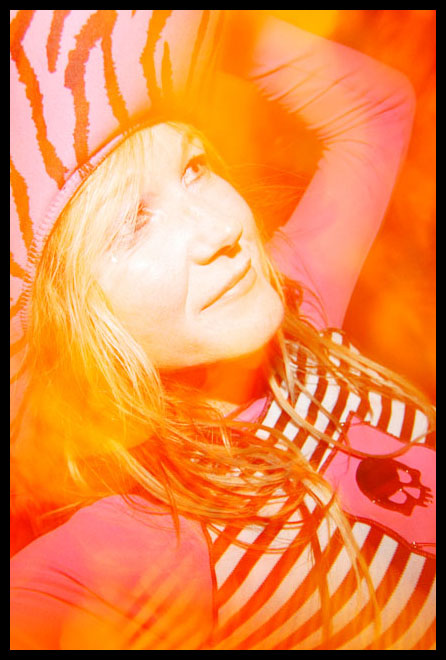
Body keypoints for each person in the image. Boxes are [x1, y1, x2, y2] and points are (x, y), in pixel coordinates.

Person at [10, 10, 435, 650]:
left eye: (195, 167)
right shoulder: (147, 542)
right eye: (134, 223)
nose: (224, 229)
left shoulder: (295, 298)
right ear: (70, 324)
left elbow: (374, 109)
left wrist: (212, 32)